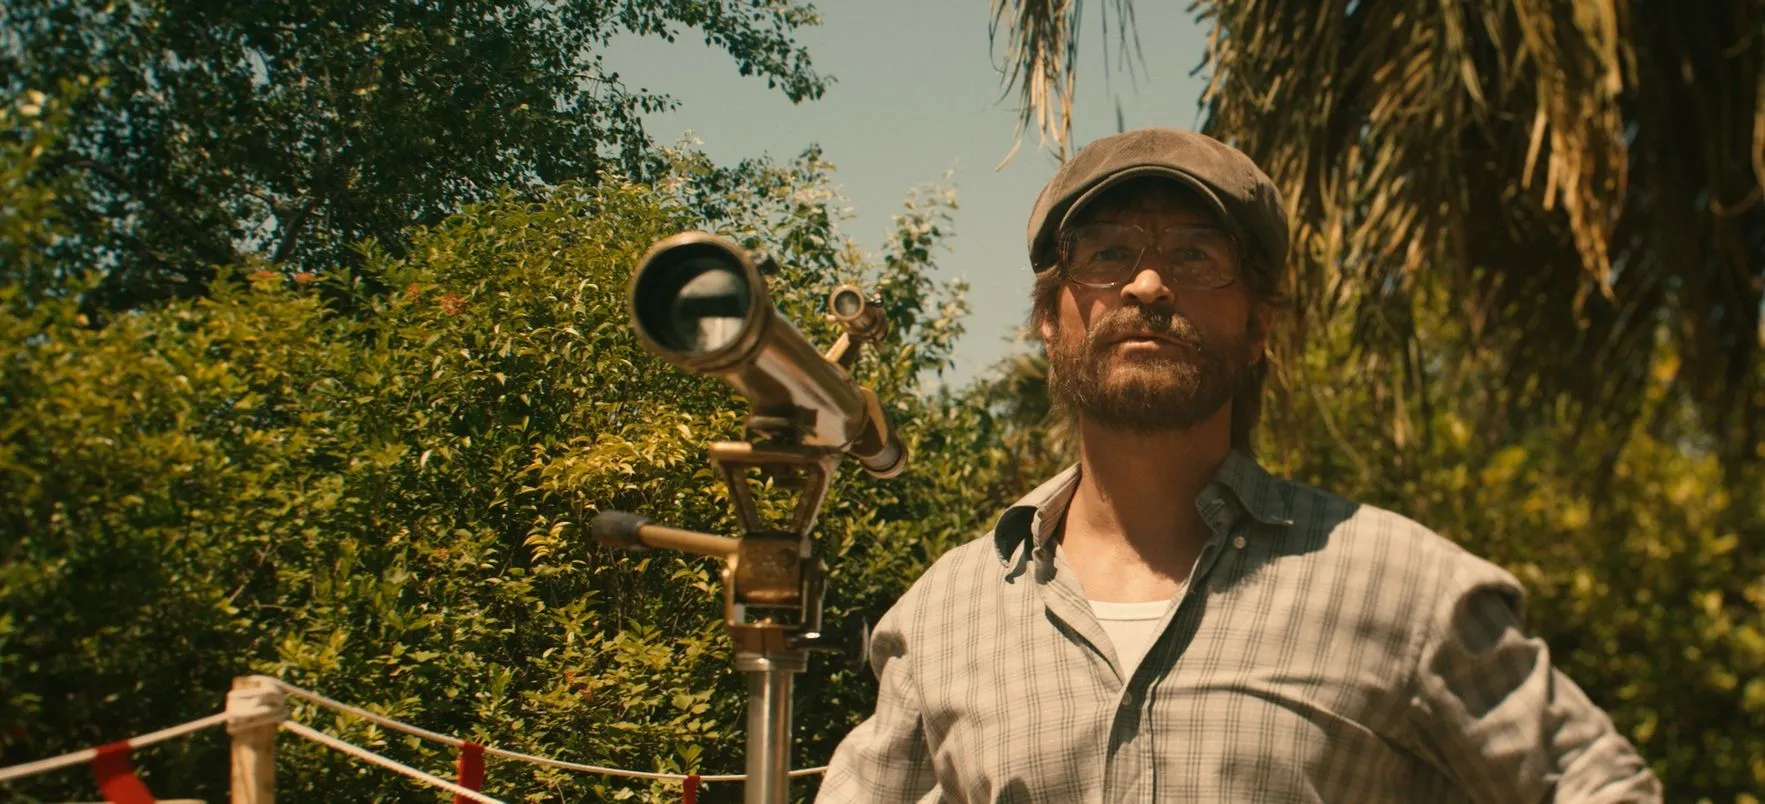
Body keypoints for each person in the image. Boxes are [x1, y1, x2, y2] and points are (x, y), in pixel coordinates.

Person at [818, 127, 1661, 802]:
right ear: (1049, 318)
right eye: (1105, 253)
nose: (1148, 284)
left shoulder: (1403, 588)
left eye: (1196, 255)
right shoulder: (944, 617)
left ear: (1256, 327)